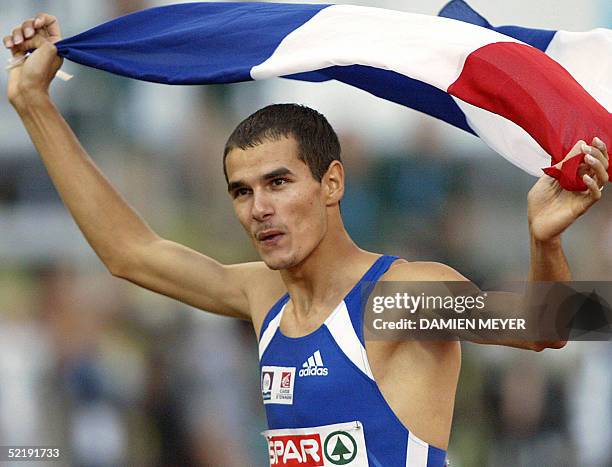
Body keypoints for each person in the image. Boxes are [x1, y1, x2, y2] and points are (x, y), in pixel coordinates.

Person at [4, 13, 609, 467]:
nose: (259, 208)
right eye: (241, 192)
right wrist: (34, 104)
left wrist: (543, 241)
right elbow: (129, 252)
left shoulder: (397, 299)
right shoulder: (261, 295)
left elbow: (552, 326)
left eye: (277, 182)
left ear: (331, 183)